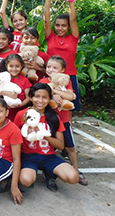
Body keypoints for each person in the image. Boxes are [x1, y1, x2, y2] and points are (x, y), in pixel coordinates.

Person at [13, 83, 79, 192]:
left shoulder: (54, 117)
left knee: (73, 177)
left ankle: (49, 173)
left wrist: (44, 135)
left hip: (48, 156)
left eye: (45, 97)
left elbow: (61, 145)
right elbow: (14, 139)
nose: (40, 100)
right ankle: (37, 172)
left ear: (49, 99)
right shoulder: (22, 115)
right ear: (31, 97)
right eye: (37, 96)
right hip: (28, 156)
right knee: (26, 181)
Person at [39, 56, 87, 186]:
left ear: (63, 70)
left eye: (55, 68)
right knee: (50, 149)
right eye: (49, 67)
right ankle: (50, 176)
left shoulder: (66, 81)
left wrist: (54, 91)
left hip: (64, 120)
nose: (51, 70)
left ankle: (76, 170)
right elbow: (41, 98)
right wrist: (52, 94)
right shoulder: (43, 81)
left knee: (70, 147)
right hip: (50, 120)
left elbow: (70, 96)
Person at [43, 0, 81, 112]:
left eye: (64, 25)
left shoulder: (73, 37)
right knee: (50, 104)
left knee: (68, 107)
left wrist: (71, 0)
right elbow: (46, 20)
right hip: (51, 77)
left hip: (69, 76)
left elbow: (73, 19)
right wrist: (48, 0)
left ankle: (68, 127)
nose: (60, 28)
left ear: (68, 27)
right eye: (57, 25)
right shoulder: (50, 37)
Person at [0, 54, 31, 121]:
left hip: (19, 111)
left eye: (17, 66)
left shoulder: (25, 80)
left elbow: (28, 98)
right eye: (11, 66)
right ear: (6, 66)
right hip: (3, 110)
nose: (14, 69)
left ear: (21, 66)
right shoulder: (2, 78)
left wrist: (20, 105)